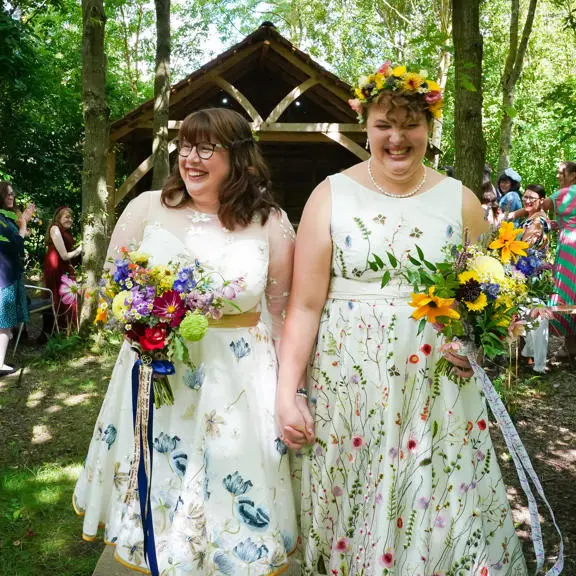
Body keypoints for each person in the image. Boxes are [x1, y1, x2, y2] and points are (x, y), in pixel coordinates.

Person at [276, 64, 529, 574]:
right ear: (365, 126)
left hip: (438, 394)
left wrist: (476, 347)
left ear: (429, 128)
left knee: (439, 502)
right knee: (355, 503)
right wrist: (288, 393)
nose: (396, 137)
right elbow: (303, 306)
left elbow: (490, 297)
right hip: (349, 388)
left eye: (410, 125)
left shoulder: (460, 200)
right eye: (383, 124)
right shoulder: (330, 195)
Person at [73, 108, 298, 575]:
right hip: (158, 377)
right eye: (186, 147)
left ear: (237, 157)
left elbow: (281, 312)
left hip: (237, 383)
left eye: (206, 148)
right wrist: (138, 325)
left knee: (227, 491)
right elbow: (112, 291)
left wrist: (288, 391)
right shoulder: (147, 208)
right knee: (160, 492)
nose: (191, 159)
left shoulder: (270, 221)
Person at [0, 181, 34, 375]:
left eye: (13, 194)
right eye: (7, 194)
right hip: (5, 276)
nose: (11, 197)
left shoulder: (6, 218)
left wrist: (22, 224)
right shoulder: (1, 220)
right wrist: (22, 227)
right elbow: (16, 248)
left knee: (5, 323)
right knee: (4, 323)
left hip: (8, 274)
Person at [518, 185, 552, 373]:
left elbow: (523, 245)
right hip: (526, 270)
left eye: (532, 198)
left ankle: (538, 362)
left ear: (541, 200)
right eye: (525, 197)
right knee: (529, 310)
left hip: (532, 273)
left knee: (537, 314)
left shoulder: (538, 221)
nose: (528, 200)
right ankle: (529, 351)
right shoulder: (532, 217)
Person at [41, 206, 82, 336]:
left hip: (63, 268)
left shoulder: (66, 231)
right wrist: (79, 250)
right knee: (57, 299)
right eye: (66, 217)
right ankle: (55, 332)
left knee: (66, 298)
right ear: (58, 218)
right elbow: (64, 256)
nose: (70, 220)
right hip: (55, 268)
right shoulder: (55, 228)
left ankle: (66, 331)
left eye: (71, 217)